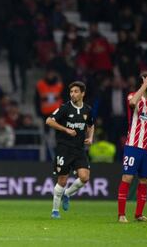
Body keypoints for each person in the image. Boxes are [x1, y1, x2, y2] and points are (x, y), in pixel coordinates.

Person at [117, 72, 147, 223]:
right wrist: (145, 84)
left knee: (145, 180)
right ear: (144, 82)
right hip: (133, 145)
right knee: (127, 177)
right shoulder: (133, 95)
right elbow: (132, 104)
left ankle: (139, 214)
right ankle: (121, 215)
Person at [46, 81, 94, 219]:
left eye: (76, 91)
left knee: (85, 177)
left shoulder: (87, 110)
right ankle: (55, 210)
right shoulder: (65, 108)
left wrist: (90, 138)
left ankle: (67, 194)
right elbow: (49, 121)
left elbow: (91, 125)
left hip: (79, 149)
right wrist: (66, 129)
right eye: (71, 91)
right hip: (64, 148)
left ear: (82, 93)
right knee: (62, 179)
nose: (73, 94)